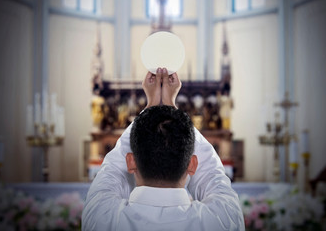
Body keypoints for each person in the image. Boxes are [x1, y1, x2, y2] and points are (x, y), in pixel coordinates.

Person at [82, 68, 244, 231]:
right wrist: (171, 107)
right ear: (192, 164)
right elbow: (211, 175)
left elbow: (111, 172)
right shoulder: (222, 220)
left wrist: (151, 105)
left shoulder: (102, 219)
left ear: (130, 162)